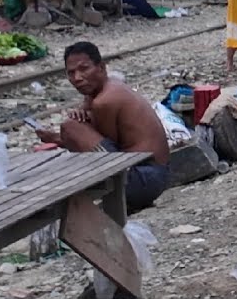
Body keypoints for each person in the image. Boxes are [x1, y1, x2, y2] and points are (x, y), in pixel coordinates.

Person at [35, 42, 171, 213]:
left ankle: (112, 197)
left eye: (84, 69)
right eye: (71, 73)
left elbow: (108, 152)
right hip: (154, 174)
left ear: (101, 67)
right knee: (72, 128)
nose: (77, 78)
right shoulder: (99, 90)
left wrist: (60, 139)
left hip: (145, 179)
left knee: (71, 128)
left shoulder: (105, 100)